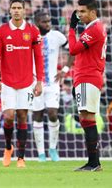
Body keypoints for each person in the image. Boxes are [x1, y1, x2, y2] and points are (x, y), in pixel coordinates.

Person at [0, 0, 43, 168]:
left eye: (19, 8)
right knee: (8, 116)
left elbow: (39, 57)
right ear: (9, 10)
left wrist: (40, 81)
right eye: (13, 8)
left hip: (27, 82)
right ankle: (8, 148)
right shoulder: (1, 31)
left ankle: (21, 157)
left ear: (24, 10)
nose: (16, 11)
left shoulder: (33, 31)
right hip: (7, 82)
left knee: (22, 116)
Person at [68, 0, 107, 171]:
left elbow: (73, 49)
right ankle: (93, 162)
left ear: (93, 12)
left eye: (83, 11)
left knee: (88, 118)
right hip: (86, 76)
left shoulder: (95, 29)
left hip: (88, 76)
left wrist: (71, 28)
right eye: (78, 11)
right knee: (85, 118)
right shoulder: (93, 28)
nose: (79, 14)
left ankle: (94, 162)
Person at [32, 11, 73, 162]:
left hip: (53, 83)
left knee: (52, 113)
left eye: (49, 21)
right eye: (44, 22)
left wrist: (65, 70)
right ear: (37, 23)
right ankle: (41, 153)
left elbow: (73, 51)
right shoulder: (29, 36)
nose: (48, 24)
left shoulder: (57, 36)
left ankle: (53, 149)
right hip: (35, 83)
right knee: (37, 115)